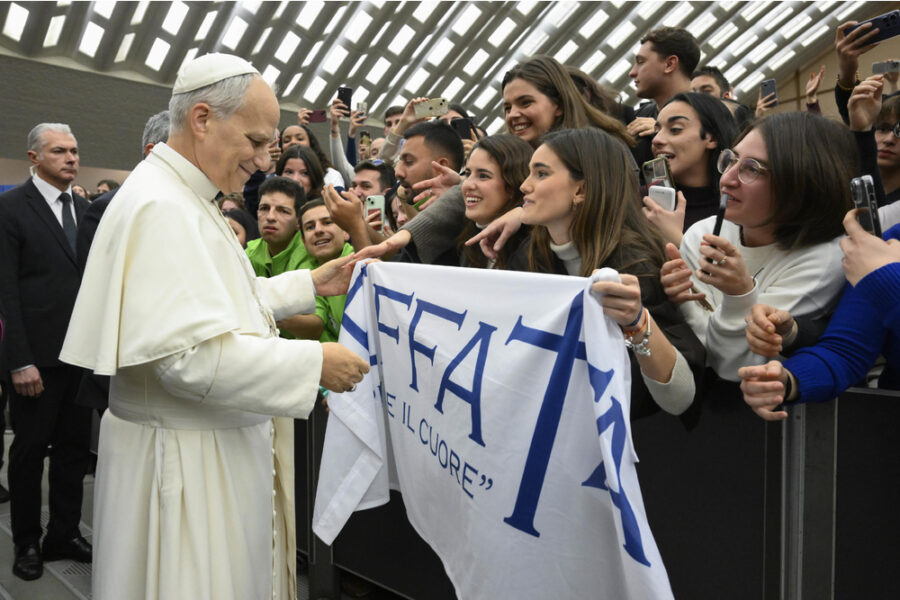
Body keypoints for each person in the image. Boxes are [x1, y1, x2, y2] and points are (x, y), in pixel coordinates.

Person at [58, 53, 368, 600]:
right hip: (185, 468)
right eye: (253, 141)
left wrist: (310, 283)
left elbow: (216, 300)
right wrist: (315, 361)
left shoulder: (180, 195)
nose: (263, 159)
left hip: (197, 451)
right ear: (202, 119)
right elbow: (185, 357)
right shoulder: (163, 207)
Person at [511, 127, 704, 420]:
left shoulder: (636, 266)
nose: (524, 186)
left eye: (541, 173)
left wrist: (638, 323)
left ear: (582, 190)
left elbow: (680, 398)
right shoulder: (528, 255)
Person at [661, 112, 855, 382]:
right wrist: (679, 300)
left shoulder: (825, 261)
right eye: (731, 160)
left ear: (801, 183)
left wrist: (738, 295)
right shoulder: (704, 233)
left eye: (751, 169)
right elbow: (702, 350)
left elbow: (727, 365)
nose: (727, 179)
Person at [0, 123, 93, 581]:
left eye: (74, 151)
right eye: (60, 151)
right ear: (34, 157)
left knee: (74, 451)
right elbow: (5, 293)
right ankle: (27, 541)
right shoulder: (11, 208)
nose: (71, 158)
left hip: (80, 357)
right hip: (34, 359)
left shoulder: (84, 207)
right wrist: (18, 360)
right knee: (30, 453)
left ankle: (63, 532)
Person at [739, 211, 900, 420]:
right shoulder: (892, 242)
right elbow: (846, 351)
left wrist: (886, 282)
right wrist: (787, 381)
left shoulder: (886, 260)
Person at [642, 92, 737, 244]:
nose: (657, 139)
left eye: (675, 129)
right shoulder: (638, 201)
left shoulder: (734, 209)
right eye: (656, 130)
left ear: (711, 138)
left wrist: (676, 239)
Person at [627, 27, 700, 167]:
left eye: (641, 62)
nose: (632, 72)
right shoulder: (637, 118)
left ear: (669, 64)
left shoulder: (711, 118)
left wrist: (659, 130)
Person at [298, 199, 354, 342]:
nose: (318, 230)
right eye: (310, 227)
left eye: (327, 222)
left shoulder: (361, 263)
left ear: (346, 232)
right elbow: (315, 323)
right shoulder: (305, 273)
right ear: (304, 242)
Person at [281, 122, 345, 188]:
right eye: (287, 141)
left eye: (300, 139)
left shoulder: (331, 175)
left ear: (311, 144)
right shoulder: (274, 174)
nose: (293, 142)